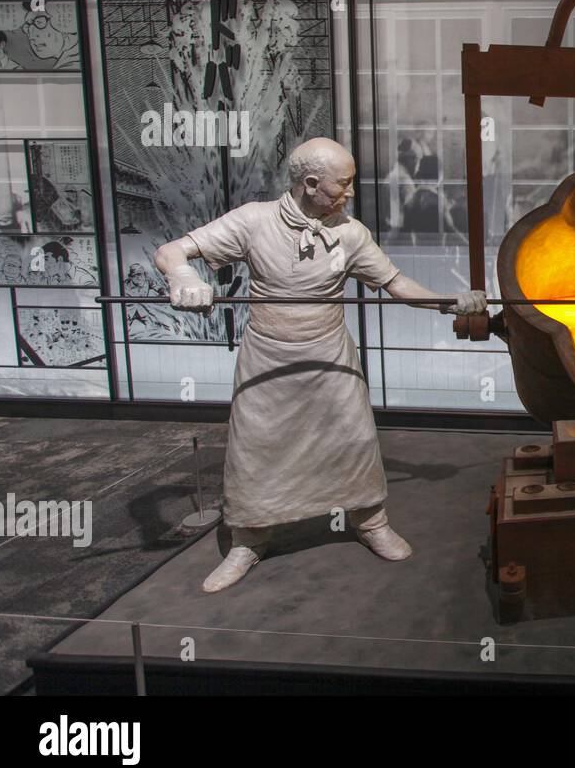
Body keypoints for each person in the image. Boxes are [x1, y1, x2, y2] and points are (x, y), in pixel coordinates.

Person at [155, 137, 486, 593]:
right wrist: (183, 276)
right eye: (342, 185)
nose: (348, 194)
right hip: (268, 359)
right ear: (310, 184)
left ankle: (370, 520)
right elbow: (171, 251)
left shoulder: (349, 232)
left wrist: (454, 302)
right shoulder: (253, 221)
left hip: (331, 354)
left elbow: (398, 285)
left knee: (353, 439)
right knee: (256, 448)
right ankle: (248, 539)